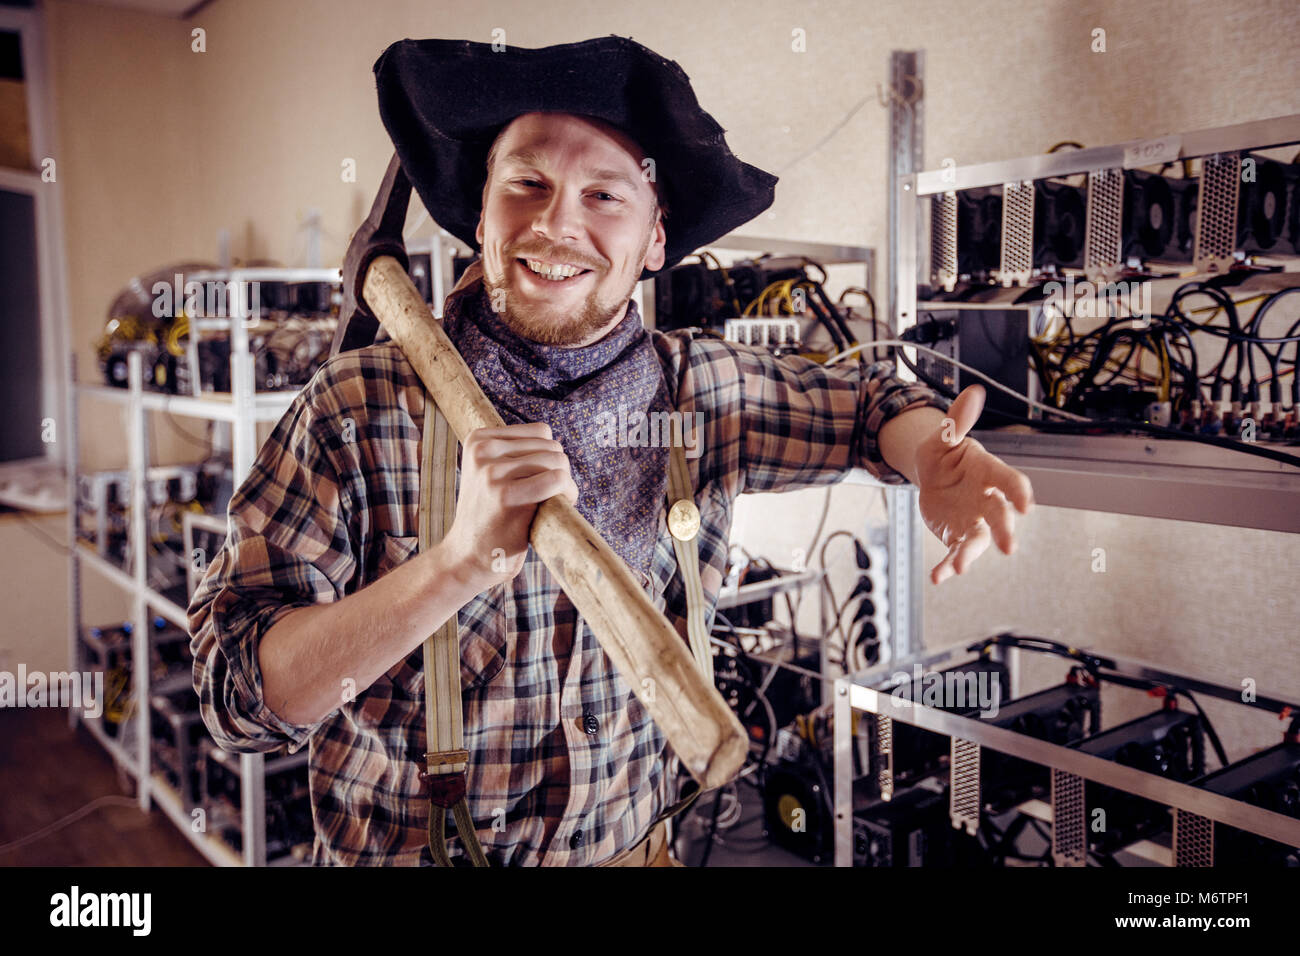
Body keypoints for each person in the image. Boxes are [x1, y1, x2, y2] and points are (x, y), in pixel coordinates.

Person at [188, 36, 1034, 867]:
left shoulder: (705, 394)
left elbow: (873, 404)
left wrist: (932, 456)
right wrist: (453, 566)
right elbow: (241, 702)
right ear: (480, 215)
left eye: (604, 197)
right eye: (527, 183)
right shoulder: (355, 407)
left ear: (656, 241)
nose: (556, 222)